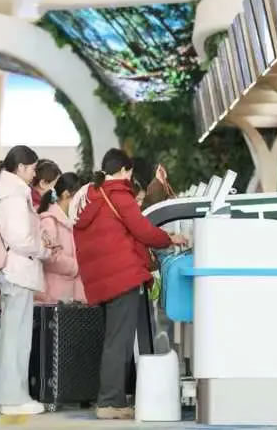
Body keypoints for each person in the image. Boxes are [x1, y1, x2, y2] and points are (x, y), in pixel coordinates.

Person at [74, 148, 185, 420]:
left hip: (102, 277)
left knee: (114, 339)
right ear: (124, 170)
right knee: (119, 341)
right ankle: (110, 402)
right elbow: (142, 230)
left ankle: (111, 399)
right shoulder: (119, 194)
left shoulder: (93, 196)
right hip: (122, 276)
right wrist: (170, 239)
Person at [0, 145, 54, 416]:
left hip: (9, 270)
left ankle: (6, 395)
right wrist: (43, 250)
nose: (34, 174)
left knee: (11, 336)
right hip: (19, 269)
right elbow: (20, 238)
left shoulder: (1, 191)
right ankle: (13, 398)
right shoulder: (15, 195)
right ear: (20, 167)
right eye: (32, 168)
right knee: (17, 339)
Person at [36, 172, 86, 305]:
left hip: (73, 297)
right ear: (66, 194)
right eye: (79, 198)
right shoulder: (49, 221)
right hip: (55, 297)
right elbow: (49, 256)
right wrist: (76, 267)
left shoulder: (73, 220)